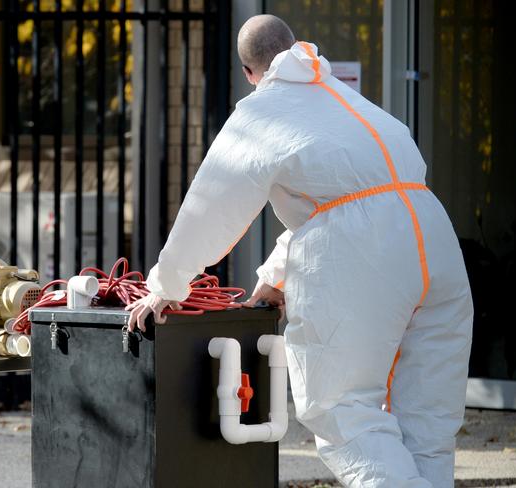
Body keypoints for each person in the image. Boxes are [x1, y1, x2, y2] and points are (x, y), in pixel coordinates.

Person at [126, 14, 473, 488]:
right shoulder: (349, 103)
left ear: (250, 74)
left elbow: (212, 204)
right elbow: (346, 203)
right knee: (427, 422)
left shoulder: (264, 108)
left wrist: (166, 285)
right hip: (433, 238)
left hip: (364, 256)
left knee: (345, 414)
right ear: (295, 47)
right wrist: (275, 276)